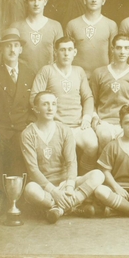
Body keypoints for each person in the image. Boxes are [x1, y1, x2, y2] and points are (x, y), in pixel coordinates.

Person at [21, 91, 105, 224]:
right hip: (44, 188)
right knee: (30, 190)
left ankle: (58, 209)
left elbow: (71, 162)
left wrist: (69, 187)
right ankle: (73, 206)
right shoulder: (28, 134)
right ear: (35, 108)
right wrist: (54, 191)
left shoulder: (64, 129)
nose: (50, 108)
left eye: (53, 104)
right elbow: (33, 170)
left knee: (98, 174)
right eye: (45, 104)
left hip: (65, 184)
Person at [0, 28, 36, 215]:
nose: (12, 50)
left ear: (21, 49)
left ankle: (19, 199)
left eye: (15, 46)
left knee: (23, 148)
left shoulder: (30, 74)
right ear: (1, 50)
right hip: (1, 129)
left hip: (22, 128)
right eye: (8, 47)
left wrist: (31, 124)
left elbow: (34, 105)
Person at [30, 36, 98, 174]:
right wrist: (48, 119)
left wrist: (86, 117)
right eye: (62, 50)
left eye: (69, 49)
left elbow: (88, 97)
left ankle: (82, 175)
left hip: (78, 125)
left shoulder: (79, 71)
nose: (66, 53)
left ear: (75, 52)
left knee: (93, 145)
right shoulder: (47, 71)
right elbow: (34, 97)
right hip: (55, 124)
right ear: (55, 52)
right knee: (60, 156)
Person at [90, 34, 129, 150]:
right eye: (119, 48)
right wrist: (95, 117)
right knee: (105, 136)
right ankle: (103, 168)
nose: (122, 52)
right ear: (112, 49)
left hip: (127, 122)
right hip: (105, 121)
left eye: (126, 48)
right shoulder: (99, 73)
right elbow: (91, 101)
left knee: (128, 144)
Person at [65, 0, 118, 77]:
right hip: (77, 76)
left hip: (103, 76)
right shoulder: (72, 24)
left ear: (103, 1)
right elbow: (66, 53)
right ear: (85, 0)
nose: (94, 0)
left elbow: (114, 54)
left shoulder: (111, 25)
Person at [11, 0, 63, 73]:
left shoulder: (55, 26)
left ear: (45, 1)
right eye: (32, 0)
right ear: (26, 3)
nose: (36, 3)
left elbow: (60, 56)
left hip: (48, 77)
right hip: (22, 78)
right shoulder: (16, 27)